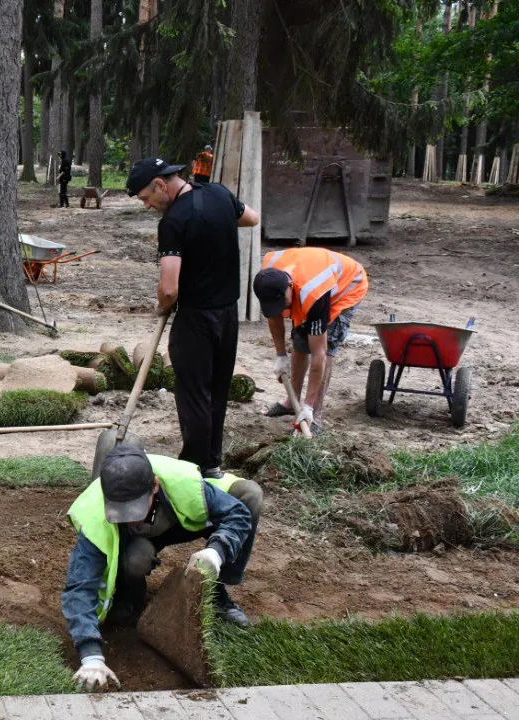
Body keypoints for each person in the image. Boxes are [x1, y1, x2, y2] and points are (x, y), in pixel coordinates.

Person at [63, 447, 261, 691]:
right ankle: (129, 595)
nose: (129, 518)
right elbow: (79, 587)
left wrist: (217, 552)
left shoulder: (183, 484)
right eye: (120, 512)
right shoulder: (96, 513)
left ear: (154, 486)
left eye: (134, 509)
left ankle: (217, 594)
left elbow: (237, 513)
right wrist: (90, 655)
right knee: (136, 559)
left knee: (250, 494)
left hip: (177, 518)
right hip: (135, 543)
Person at [128, 157, 260, 478]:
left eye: (146, 198)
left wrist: (162, 305)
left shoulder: (173, 222)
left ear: (161, 184)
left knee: (194, 396)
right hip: (228, 315)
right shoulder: (218, 194)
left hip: (196, 319)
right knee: (217, 391)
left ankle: (192, 467)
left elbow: (170, 289)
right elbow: (252, 218)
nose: (147, 206)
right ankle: (212, 464)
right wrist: (217, 226)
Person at [253, 248, 369, 435]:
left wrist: (307, 406)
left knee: (326, 345)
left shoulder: (313, 295)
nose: (281, 308)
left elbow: (319, 356)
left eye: (282, 303)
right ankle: (293, 401)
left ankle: (314, 413)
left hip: (346, 288)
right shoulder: (269, 276)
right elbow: (274, 317)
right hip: (309, 278)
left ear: (290, 285)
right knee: (299, 338)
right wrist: (280, 355)